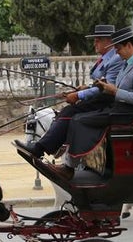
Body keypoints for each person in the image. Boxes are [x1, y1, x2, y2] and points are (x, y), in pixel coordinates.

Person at [50, 26, 133, 178]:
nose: (116, 52)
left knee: (79, 121)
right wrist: (99, 87)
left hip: (129, 113)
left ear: (128, 45)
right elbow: (118, 87)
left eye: (118, 48)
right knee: (77, 117)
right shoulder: (127, 63)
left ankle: (71, 166)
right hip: (119, 108)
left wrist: (115, 91)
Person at [16, 24, 124, 158]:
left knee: (69, 112)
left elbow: (106, 86)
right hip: (99, 98)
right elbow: (100, 83)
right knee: (65, 111)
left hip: (106, 101)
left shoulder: (115, 59)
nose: (94, 43)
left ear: (109, 42)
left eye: (98, 40)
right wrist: (86, 88)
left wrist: (78, 95)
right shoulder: (105, 58)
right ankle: (52, 146)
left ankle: (40, 148)